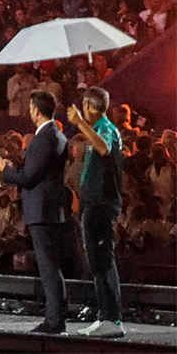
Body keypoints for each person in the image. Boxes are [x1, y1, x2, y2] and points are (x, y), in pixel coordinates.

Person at [0, 91, 69, 334]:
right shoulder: (54, 134)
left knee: (48, 266)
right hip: (47, 208)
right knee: (50, 265)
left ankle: (54, 320)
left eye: (30, 107)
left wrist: (3, 170)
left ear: (35, 110)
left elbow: (30, 177)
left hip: (43, 210)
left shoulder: (45, 138)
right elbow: (34, 171)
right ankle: (55, 317)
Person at [66, 87, 125, 338]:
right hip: (92, 203)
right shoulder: (96, 131)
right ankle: (104, 316)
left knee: (102, 260)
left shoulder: (106, 129)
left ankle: (113, 318)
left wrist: (80, 123)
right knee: (96, 262)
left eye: (84, 106)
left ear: (90, 105)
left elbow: (103, 148)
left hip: (103, 204)